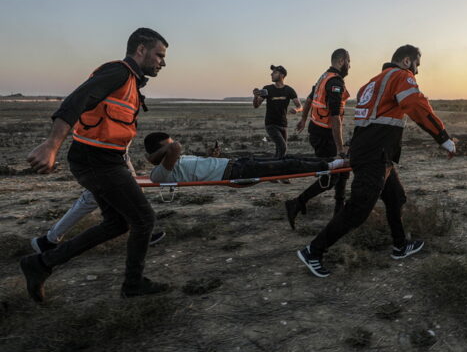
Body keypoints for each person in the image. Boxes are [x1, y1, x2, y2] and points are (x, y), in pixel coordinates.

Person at [22, 28, 169, 302]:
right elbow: (76, 101)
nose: (163, 62)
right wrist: (51, 144)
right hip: (96, 161)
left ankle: (40, 264)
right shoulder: (118, 73)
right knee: (144, 219)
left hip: (104, 160)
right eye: (159, 55)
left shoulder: (131, 82)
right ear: (140, 49)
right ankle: (133, 284)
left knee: (117, 223)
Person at [296, 45, 457, 278]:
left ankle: (400, 246)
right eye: (417, 65)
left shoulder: (371, 83)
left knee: (396, 197)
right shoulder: (402, 76)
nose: (417, 71)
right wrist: (443, 138)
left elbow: (365, 120)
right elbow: (416, 106)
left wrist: (352, 148)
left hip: (376, 153)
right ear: (406, 61)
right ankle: (314, 251)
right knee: (359, 208)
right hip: (375, 155)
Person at [30, 150, 166, 254]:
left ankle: (143, 232)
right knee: (92, 198)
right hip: (104, 154)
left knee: (131, 189)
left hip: (115, 152)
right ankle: (49, 240)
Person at [284, 49, 351, 229]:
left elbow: (308, 100)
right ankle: (297, 202)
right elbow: (335, 117)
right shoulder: (334, 81)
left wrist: (304, 119)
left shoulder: (324, 77)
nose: (350, 66)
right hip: (324, 135)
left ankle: (339, 210)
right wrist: (340, 149)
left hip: (318, 131)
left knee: (342, 170)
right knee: (331, 176)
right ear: (341, 61)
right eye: (349, 62)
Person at [144, 132, 347, 183]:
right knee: (288, 163)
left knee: (287, 159)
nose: (172, 146)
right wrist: (158, 155)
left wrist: (210, 156)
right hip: (235, 172)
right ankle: (331, 165)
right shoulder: (159, 173)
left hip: (236, 163)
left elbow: (179, 154)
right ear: (159, 152)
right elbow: (176, 147)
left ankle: (328, 162)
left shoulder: (170, 162)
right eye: (167, 146)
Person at [252, 65, 302, 159]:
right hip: (271, 124)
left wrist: (296, 110)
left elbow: (300, 106)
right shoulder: (267, 89)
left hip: (283, 124)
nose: (271, 74)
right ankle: (276, 166)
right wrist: (255, 97)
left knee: (280, 151)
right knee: (283, 147)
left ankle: (276, 167)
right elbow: (256, 105)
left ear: (282, 75)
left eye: (274, 72)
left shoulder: (289, 90)